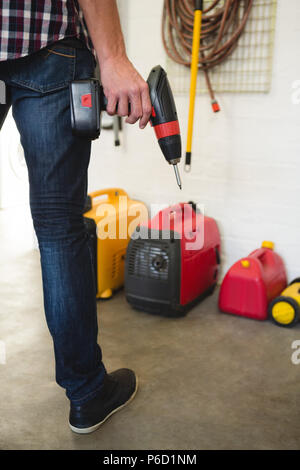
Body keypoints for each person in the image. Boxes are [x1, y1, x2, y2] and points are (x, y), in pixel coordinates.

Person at [0, 0, 152, 434]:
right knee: (59, 230)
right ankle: (87, 394)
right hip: (47, 43)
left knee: (59, 231)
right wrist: (113, 57)